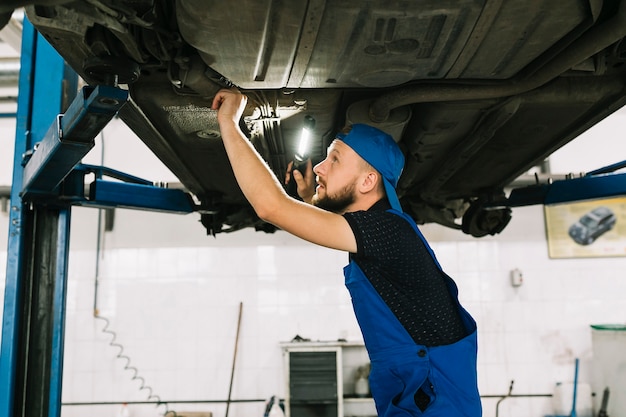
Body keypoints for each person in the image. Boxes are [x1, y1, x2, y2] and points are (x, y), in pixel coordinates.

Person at [211, 88, 481, 416]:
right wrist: (314, 198)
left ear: (368, 182)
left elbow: (271, 207)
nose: (320, 168)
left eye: (334, 159)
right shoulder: (385, 230)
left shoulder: (387, 231)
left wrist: (229, 122)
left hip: (435, 402)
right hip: (421, 395)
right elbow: (330, 224)